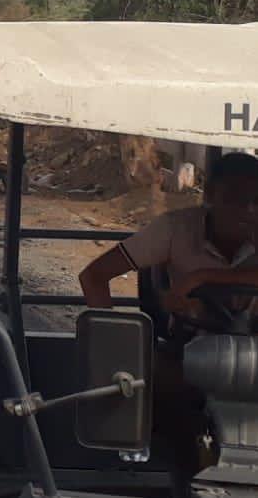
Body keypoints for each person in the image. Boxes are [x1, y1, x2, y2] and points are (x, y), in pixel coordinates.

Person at [79, 152, 258, 489]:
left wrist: (202, 278)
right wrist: (114, 350)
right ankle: (179, 473)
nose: (247, 211)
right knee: (159, 390)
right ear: (209, 196)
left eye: (256, 201)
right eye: (234, 199)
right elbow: (94, 276)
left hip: (251, 352)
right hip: (186, 349)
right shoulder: (175, 229)